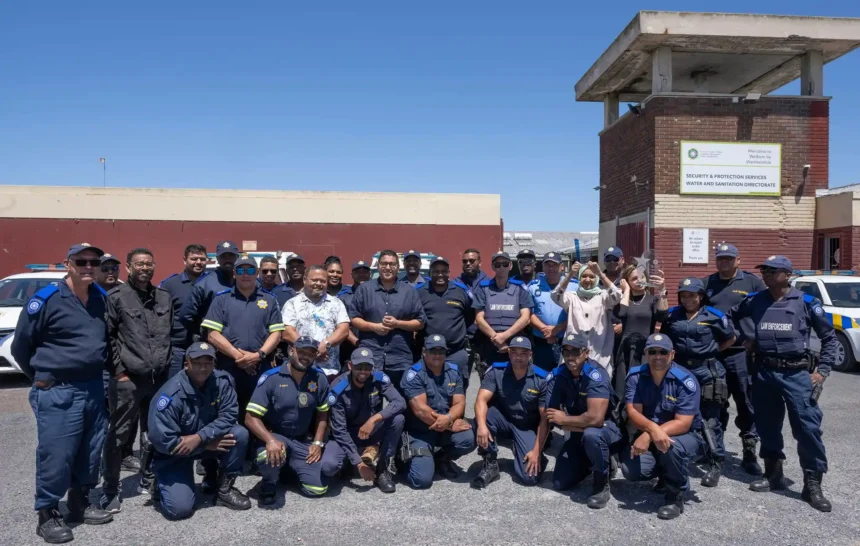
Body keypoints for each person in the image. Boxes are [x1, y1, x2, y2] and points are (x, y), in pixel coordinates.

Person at [11, 242, 114, 543]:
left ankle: (80, 502)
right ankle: (47, 513)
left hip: (93, 386)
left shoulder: (100, 298)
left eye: (94, 262)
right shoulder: (46, 300)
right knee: (56, 454)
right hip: (58, 389)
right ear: (68, 264)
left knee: (90, 450)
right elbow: (21, 347)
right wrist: (42, 378)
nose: (88, 267)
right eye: (81, 262)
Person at [729, 255, 835, 512]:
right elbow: (730, 317)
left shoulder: (807, 302)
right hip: (764, 372)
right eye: (763, 269)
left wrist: (822, 371)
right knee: (767, 425)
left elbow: (829, 338)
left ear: (787, 275)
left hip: (796, 374)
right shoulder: (756, 301)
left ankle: (812, 484)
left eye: (771, 270)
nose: (765, 274)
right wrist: (745, 339)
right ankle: (773, 473)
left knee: (808, 428)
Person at [101, 248, 173, 512]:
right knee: (118, 436)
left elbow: (168, 337)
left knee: (153, 432)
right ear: (129, 268)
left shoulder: (164, 297)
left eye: (149, 264)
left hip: (158, 379)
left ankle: (150, 479)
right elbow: (107, 338)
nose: (145, 268)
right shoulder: (116, 297)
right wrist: (118, 371)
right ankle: (110, 489)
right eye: (139, 264)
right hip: (128, 379)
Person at [147, 342, 251, 519]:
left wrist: (201, 438)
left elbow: (229, 415)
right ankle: (159, 482)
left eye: (208, 363)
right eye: (197, 363)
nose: (203, 368)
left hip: (202, 441)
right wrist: (205, 444)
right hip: (176, 453)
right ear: (186, 363)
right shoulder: (170, 396)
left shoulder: (222, 382)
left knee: (239, 434)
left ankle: (223, 490)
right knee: (179, 510)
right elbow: (165, 440)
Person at [621, 334, 705, 520]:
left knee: (671, 447)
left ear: (672, 354)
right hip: (651, 433)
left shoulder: (685, 380)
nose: (657, 356)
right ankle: (665, 474)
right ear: (645, 353)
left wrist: (650, 434)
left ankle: (675, 495)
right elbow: (633, 412)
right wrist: (652, 430)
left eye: (663, 352)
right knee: (631, 470)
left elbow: (683, 423)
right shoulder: (635, 376)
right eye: (652, 351)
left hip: (685, 436)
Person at [661, 277, 734, 487]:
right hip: (680, 370)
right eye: (684, 295)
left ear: (700, 296)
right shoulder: (673, 315)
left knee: (710, 418)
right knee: (678, 414)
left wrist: (710, 352)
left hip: (707, 371)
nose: (687, 299)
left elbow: (730, 338)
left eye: (692, 295)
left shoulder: (715, 316)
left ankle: (715, 462)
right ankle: (686, 455)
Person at [702, 243, 766, 476]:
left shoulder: (752, 282)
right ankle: (713, 449)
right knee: (714, 401)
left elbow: (765, 312)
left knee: (745, 402)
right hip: (715, 352)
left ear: (738, 260)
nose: (724, 262)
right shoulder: (707, 284)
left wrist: (757, 340)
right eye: (721, 259)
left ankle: (749, 450)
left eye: (729, 259)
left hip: (741, 353)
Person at [245, 336, 332, 504]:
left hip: (302, 441)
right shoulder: (272, 378)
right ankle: (268, 482)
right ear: (292, 350)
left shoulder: (319, 378)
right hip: (275, 437)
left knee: (317, 489)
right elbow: (250, 417)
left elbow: (323, 413)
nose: (305, 357)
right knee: (265, 455)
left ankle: (285, 470)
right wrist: (270, 440)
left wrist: (317, 442)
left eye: (311, 354)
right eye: (302, 352)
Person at [201, 255, 285, 422]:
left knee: (260, 414)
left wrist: (257, 356)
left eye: (250, 270)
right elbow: (212, 334)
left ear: (257, 273)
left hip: (260, 368)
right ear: (234, 273)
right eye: (241, 270)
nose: (245, 274)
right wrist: (240, 358)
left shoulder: (270, 300)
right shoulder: (221, 299)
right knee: (227, 413)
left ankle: (258, 446)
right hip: (228, 368)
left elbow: (276, 334)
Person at [545, 333, 622, 509]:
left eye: (575, 351)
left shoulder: (596, 375)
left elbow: (595, 419)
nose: (570, 356)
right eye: (566, 351)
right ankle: (595, 460)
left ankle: (602, 481)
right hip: (579, 430)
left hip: (606, 430)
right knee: (560, 482)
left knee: (592, 435)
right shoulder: (559, 375)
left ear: (586, 353)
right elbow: (549, 415)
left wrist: (564, 420)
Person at [321, 348, 405, 493]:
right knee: (329, 467)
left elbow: (400, 402)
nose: (363, 371)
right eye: (359, 367)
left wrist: (374, 419)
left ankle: (382, 471)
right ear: (350, 366)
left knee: (397, 419)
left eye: (367, 367)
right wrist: (359, 463)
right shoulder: (338, 387)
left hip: (370, 431)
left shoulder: (379, 379)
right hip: (346, 435)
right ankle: (350, 460)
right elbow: (339, 430)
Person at [472, 336, 549, 489]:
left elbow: (545, 419)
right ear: (509, 353)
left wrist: (536, 451)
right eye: (514, 352)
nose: (518, 356)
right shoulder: (497, 371)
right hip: (504, 419)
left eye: (523, 353)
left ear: (530, 355)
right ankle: (490, 463)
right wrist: (481, 426)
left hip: (526, 426)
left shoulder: (542, 378)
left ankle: (537, 456)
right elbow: (481, 399)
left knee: (529, 478)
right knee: (482, 416)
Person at [400, 335, 475, 489]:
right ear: (423, 352)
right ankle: (402, 463)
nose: (437, 355)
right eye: (433, 351)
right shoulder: (413, 374)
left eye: (441, 351)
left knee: (469, 437)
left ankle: (441, 459)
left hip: (444, 425)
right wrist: (450, 425)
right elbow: (421, 411)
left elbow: (459, 402)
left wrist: (448, 419)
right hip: (420, 431)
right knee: (421, 480)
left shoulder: (453, 371)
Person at [348, 249, 426, 390]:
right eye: (384, 264)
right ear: (378, 266)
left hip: (400, 357)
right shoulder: (364, 290)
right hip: (371, 357)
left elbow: (420, 322)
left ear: (398, 267)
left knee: (401, 402)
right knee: (371, 402)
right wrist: (374, 327)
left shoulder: (409, 292)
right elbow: (354, 318)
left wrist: (398, 323)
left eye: (392, 264)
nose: (388, 267)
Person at [551, 261, 622, 376]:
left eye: (592, 276)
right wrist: (570, 275)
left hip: (599, 354)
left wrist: (600, 273)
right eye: (584, 276)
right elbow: (555, 295)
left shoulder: (603, 296)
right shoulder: (572, 297)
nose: (588, 279)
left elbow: (617, 295)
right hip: (573, 356)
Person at [281, 265, 350, 382]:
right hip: (300, 368)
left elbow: (343, 330)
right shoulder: (292, 304)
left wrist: (326, 344)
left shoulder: (336, 303)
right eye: (314, 280)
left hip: (329, 370)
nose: (318, 283)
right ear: (304, 280)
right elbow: (287, 332)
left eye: (323, 281)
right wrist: (311, 351)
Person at [416, 256, 472, 387]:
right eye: (436, 271)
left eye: (443, 271)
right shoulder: (419, 292)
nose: (440, 274)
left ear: (449, 273)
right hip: (430, 354)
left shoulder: (461, 292)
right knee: (430, 391)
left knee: (458, 392)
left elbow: (469, 317)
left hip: (456, 353)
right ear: (430, 273)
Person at [473, 251, 532, 374]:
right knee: (489, 381)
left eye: (505, 264)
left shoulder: (520, 288)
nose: (501, 268)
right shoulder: (483, 288)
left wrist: (503, 337)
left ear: (510, 266)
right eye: (497, 264)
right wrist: (496, 339)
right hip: (489, 342)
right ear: (493, 267)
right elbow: (479, 318)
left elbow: (526, 318)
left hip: (515, 343)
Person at [613, 265, 668, 397]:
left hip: (644, 349)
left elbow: (662, 316)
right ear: (626, 281)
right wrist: (625, 291)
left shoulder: (652, 300)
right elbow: (622, 313)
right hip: (624, 349)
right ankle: (621, 414)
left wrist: (662, 291)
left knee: (642, 387)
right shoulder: (623, 300)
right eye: (634, 279)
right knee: (622, 387)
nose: (640, 280)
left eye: (642, 277)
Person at [159, 243, 208, 379]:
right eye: (194, 259)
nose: (198, 262)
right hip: (177, 348)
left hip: (206, 346)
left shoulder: (212, 283)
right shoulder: (170, 284)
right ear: (184, 260)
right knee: (175, 385)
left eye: (202, 259)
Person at [177, 240, 238, 346]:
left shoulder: (247, 281)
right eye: (223, 256)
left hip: (240, 341)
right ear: (217, 259)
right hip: (214, 344)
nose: (227, 259)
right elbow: (185, 316)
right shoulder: (204, 283)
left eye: (231, 256)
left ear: (237, 257)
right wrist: (204, 332)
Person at [528, 251, 574, 371]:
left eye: (555, 265)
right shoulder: (532, 287)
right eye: (547, 265)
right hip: (541, 342)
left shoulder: (574, 286)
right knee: (541, 378)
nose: (551, 268)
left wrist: (557, 329)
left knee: (565, 379)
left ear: (562, 267)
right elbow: (528, 313)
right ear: (542, 267)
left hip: (567, 342)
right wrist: (545, 330)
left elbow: (578, 314)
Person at [455, 248, 488, 387]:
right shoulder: (456, 283)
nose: (468, 263)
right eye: (465, 261)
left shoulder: (489, 283)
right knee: (460, 382)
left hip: (484, 339)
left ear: (480, 262)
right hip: (462, 340)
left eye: (472, 261)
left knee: (487, 381)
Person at [337, 260, 371, 370]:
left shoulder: (378, 294)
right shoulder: (343, 298)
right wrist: (356, 342)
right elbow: (342, 324)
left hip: (373, 346)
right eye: (358, 272)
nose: (361, 275)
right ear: (351, 275)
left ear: (370, 274)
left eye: (364, 272)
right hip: (349, 348)